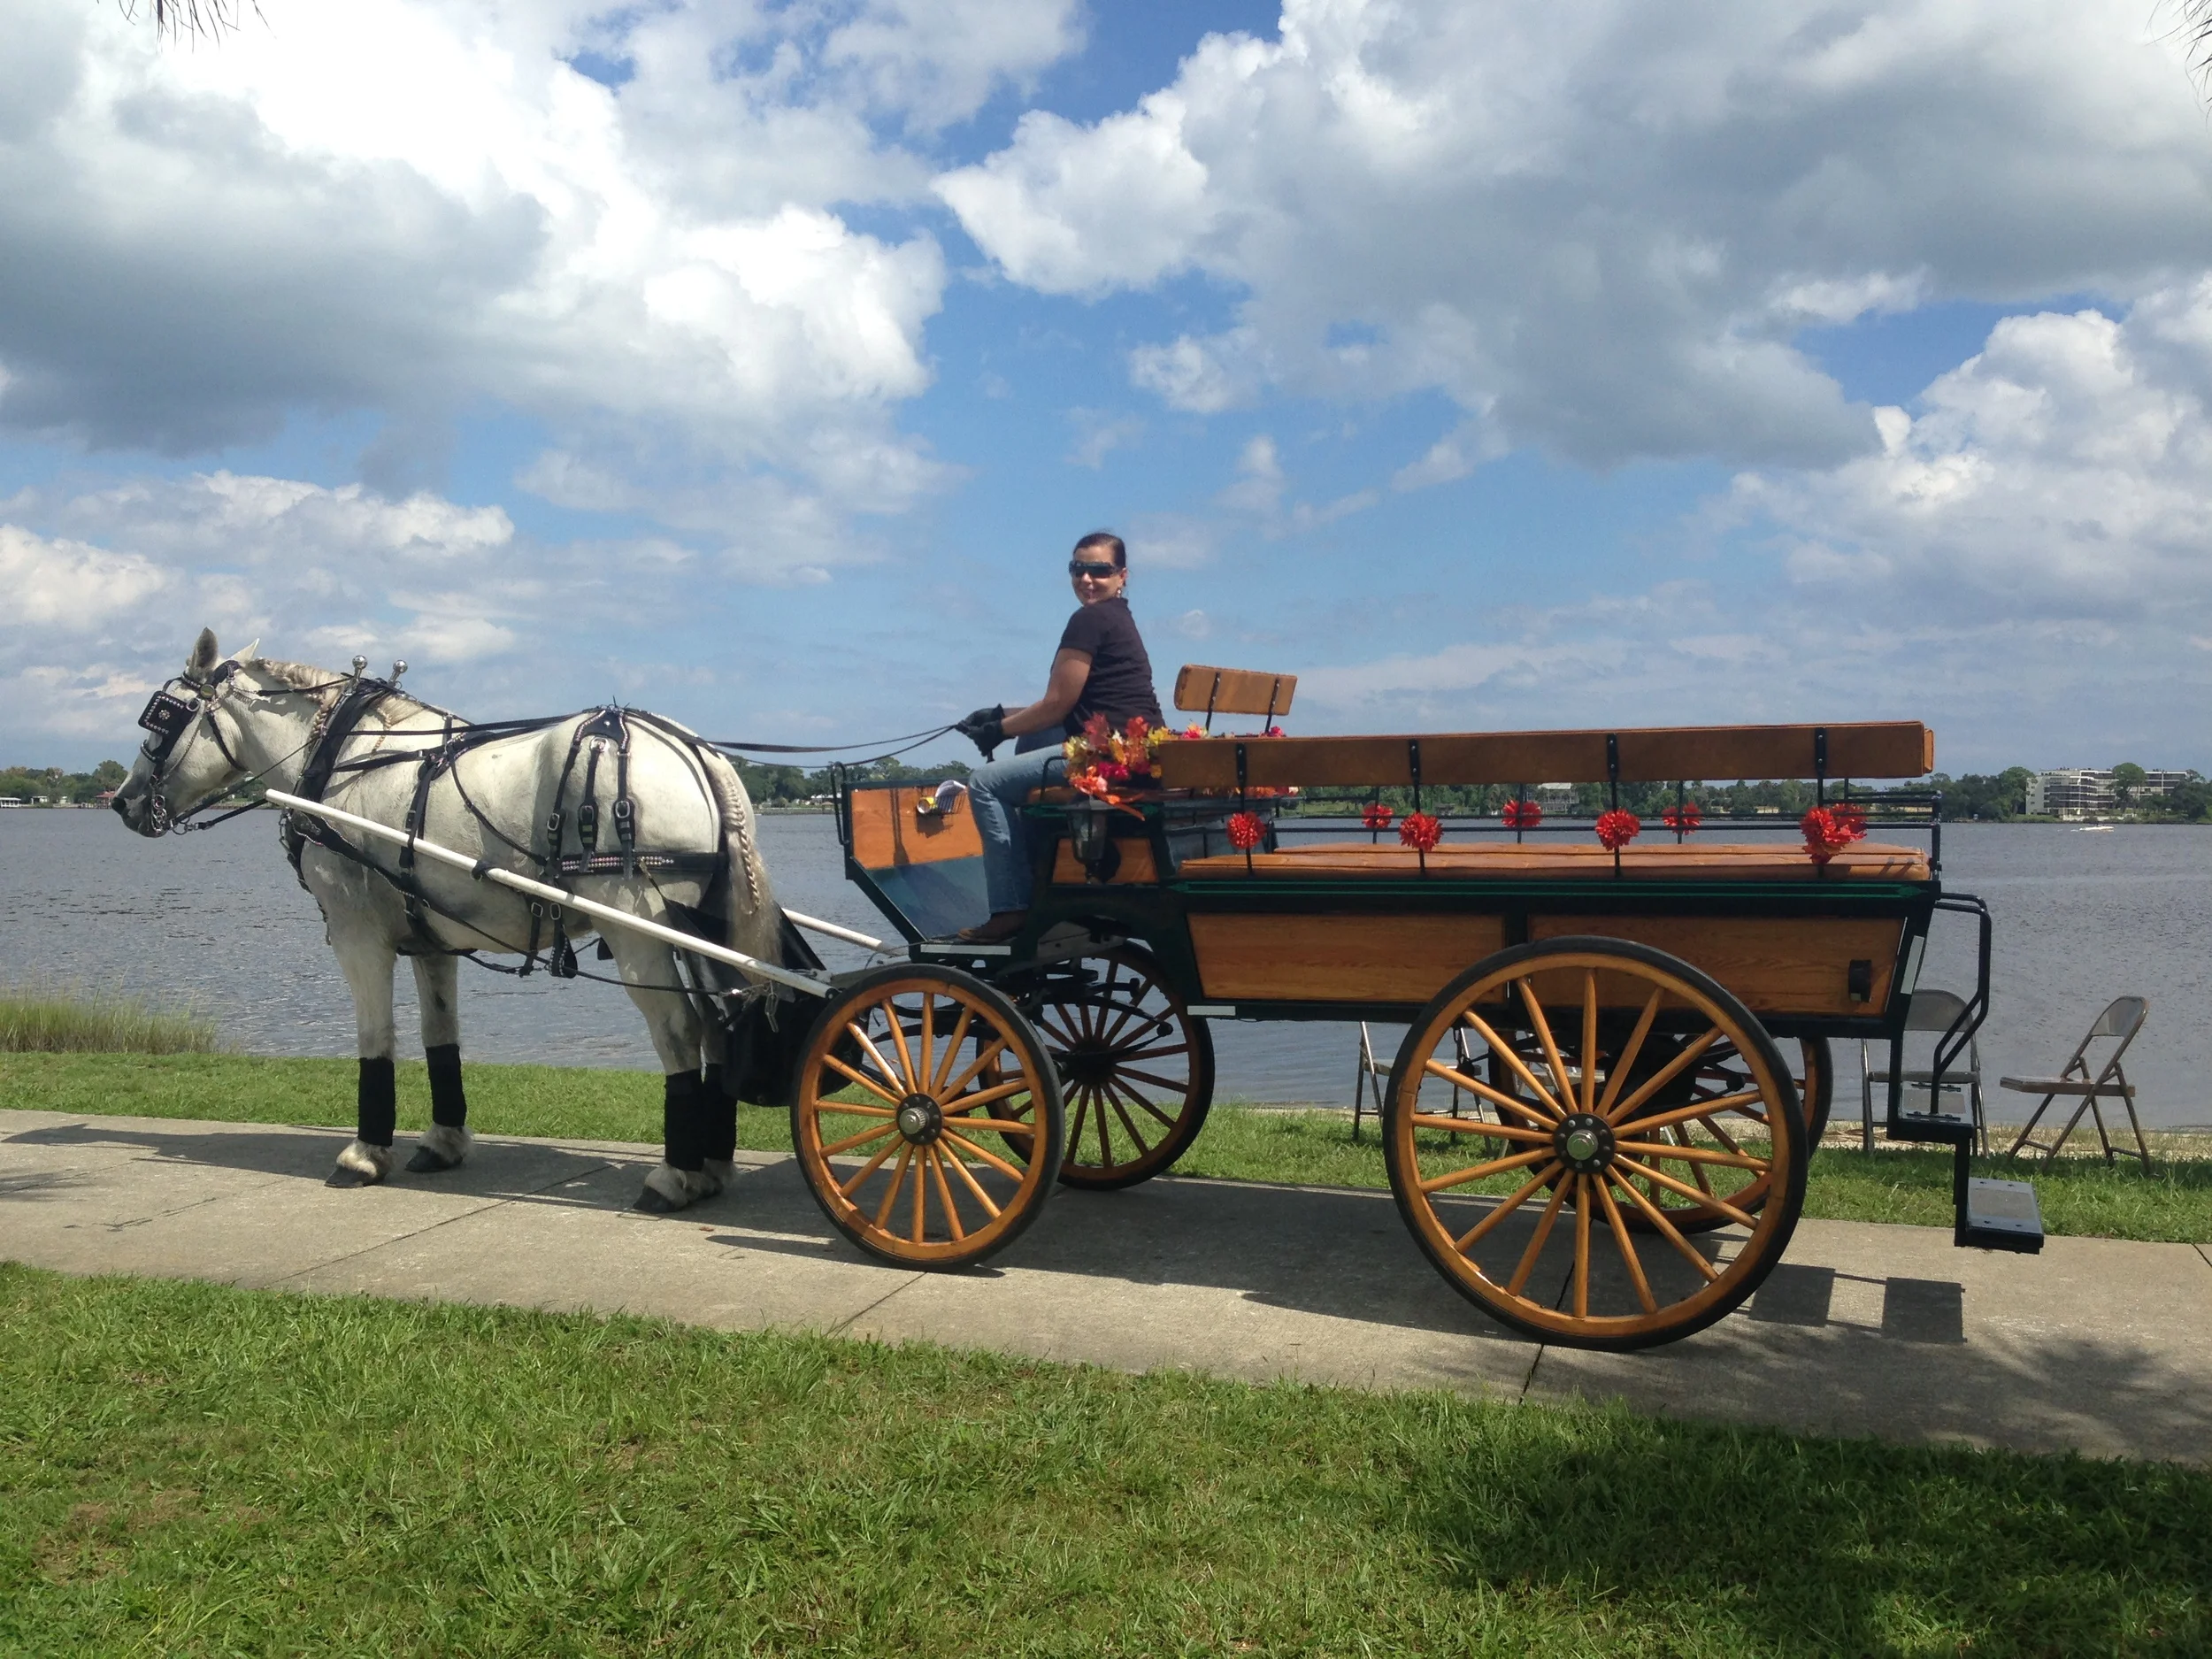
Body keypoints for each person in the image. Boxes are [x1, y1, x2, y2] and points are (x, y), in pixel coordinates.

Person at [953, 531, 1164, 942]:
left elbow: (1057, 705)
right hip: (1134, 752)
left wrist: (997, 730)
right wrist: (999, 716)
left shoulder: (1089, 619)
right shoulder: (1118, 617)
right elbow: (1070, 705)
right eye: (1077, 568)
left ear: (1122, 575)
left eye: (1099, 570)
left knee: (984, 784)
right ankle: (1044, 876)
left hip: (1106, 758)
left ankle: (1011, 906)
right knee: (1032, 742)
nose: (1086, 578)